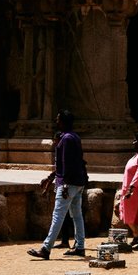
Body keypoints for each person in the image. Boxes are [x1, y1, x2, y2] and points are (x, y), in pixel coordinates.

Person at [29, 110, 87, 260]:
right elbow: (73, 162)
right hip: (78, 182)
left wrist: (65, 183)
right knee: (77, 215)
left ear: (63, 122)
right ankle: (80, 246)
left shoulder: (66, 139)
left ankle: (46, 248)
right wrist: (50, 177)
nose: (56, 122)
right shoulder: (74, 137)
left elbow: (66, 164)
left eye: (58, 120)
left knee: (58, 216)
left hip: (69, 183)